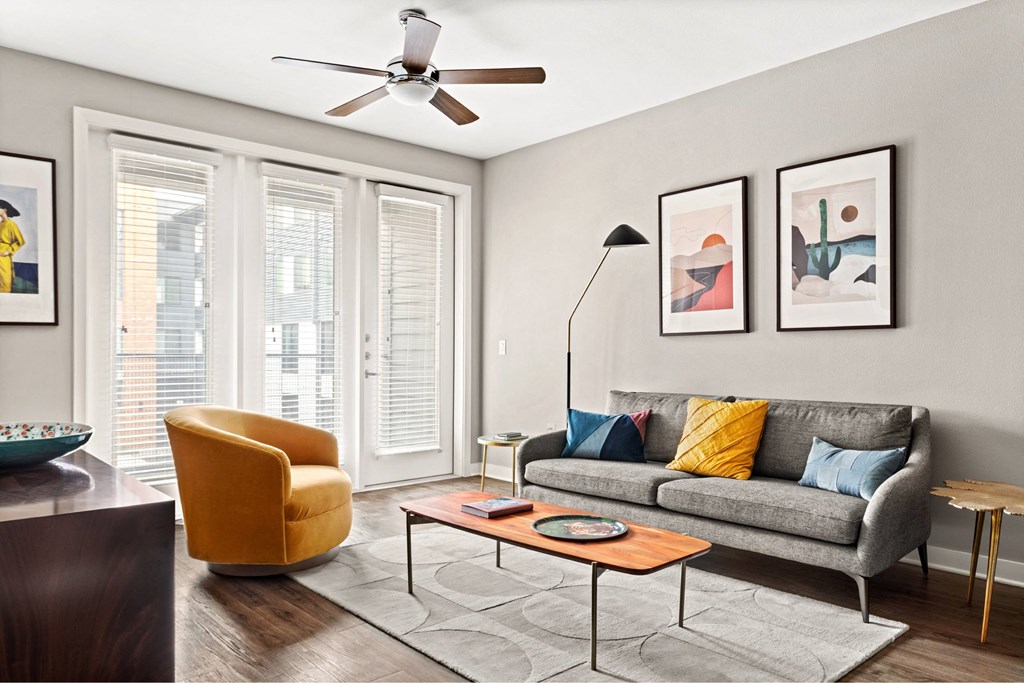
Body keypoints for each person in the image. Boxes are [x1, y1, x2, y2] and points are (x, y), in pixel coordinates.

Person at [0, 199, 26, 293]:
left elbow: (21, 241)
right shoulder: (0, 224)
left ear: (4, 210)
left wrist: (9, 251)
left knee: (5, 281)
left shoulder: (11, 224)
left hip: (3, 256)